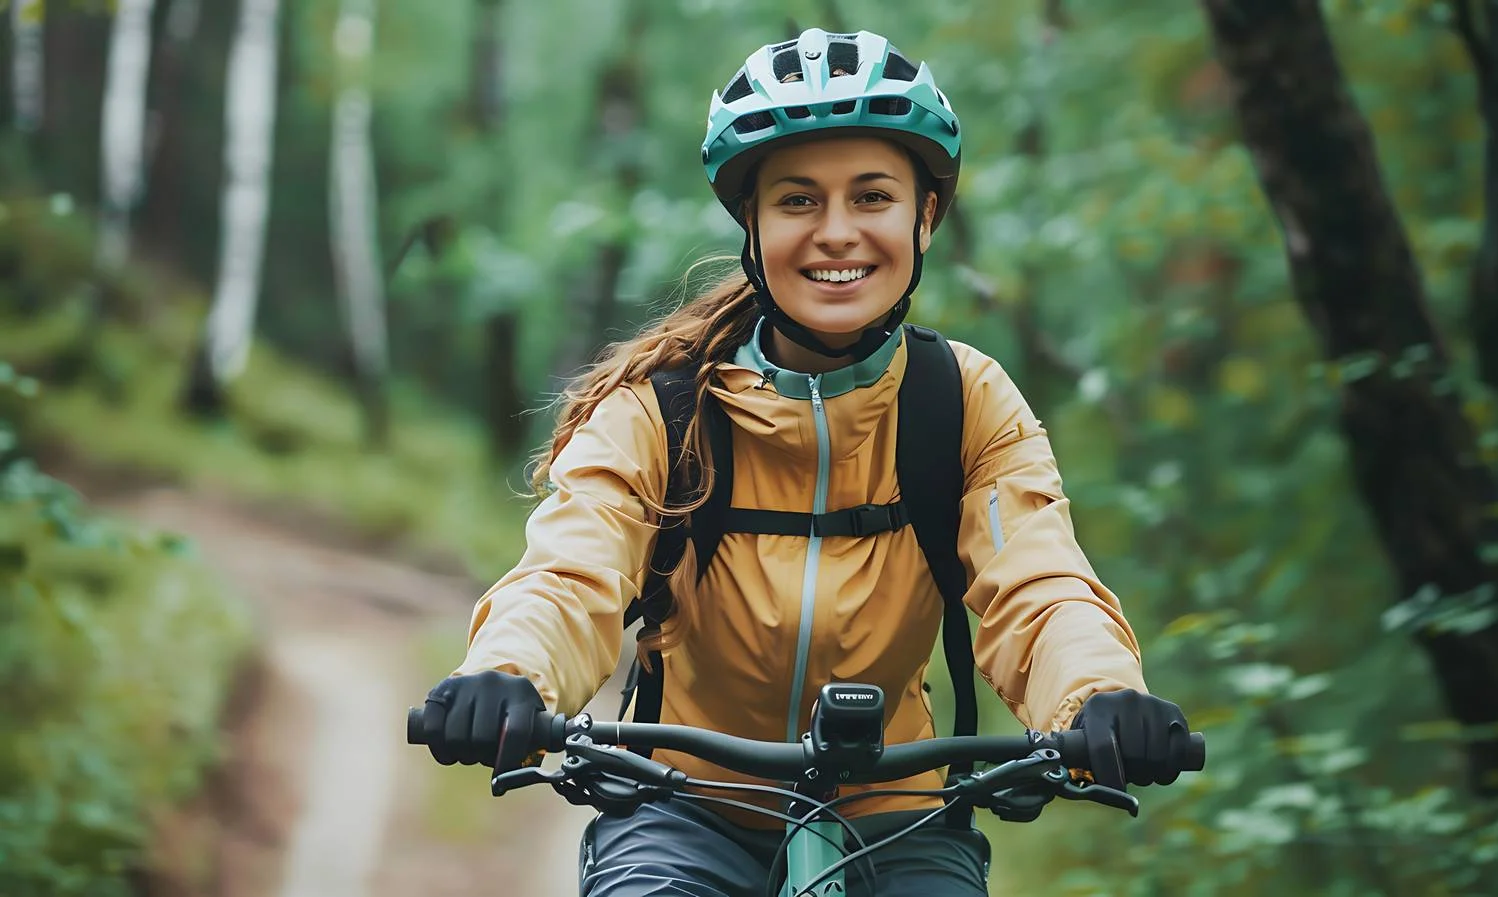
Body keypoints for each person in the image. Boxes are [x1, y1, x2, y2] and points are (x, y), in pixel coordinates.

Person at [417, 27, 1192, 896]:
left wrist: (1097, 695)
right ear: (752, 221)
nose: (836, 233)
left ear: (923, 216)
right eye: (796, 200)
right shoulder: (662, 408)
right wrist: (507, 673)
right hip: (683, 806)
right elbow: (569, 570)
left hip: (898, 814)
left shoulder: (965, 401)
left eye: (871, 196)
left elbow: (1038, 584)